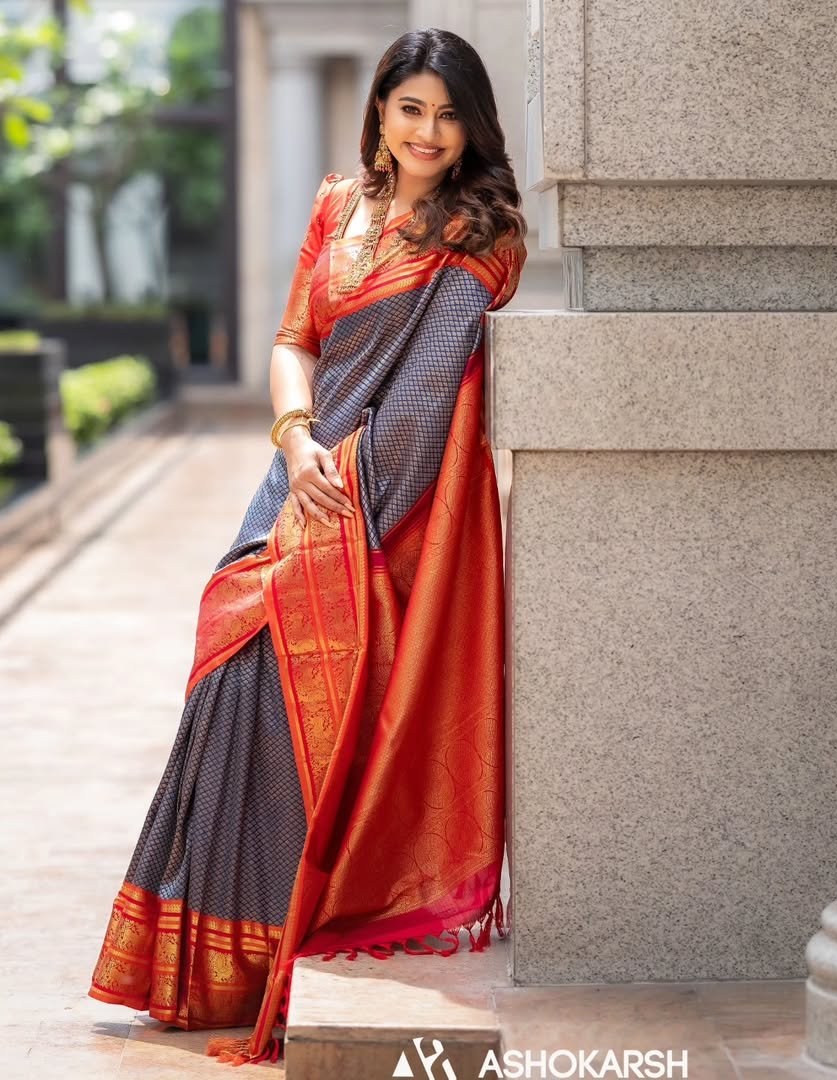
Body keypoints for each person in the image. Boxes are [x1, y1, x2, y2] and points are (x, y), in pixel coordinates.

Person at [86, 27, 527, 1066]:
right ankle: (195, 972)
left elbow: (421, 415)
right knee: (222, 682)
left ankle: (257, 952)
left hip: (378, 516)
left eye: (449, 113)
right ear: (379, 109)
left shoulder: (477, 240)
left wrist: (344, 516)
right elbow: (296, 340)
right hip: (301, 472)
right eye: (411, 107)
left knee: (279, 709)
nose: (428, 132)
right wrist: (294, 441)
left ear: (473, 128)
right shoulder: (338, 206)